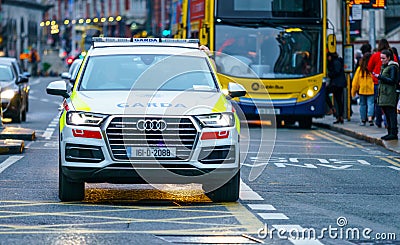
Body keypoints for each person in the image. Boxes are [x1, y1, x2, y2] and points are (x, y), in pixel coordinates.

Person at [368, 39, 397, 128]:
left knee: (379, 102)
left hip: (378, 82)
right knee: (388, 104)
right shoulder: (393, 56)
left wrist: (375, 74)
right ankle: (387, 123)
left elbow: (369, 67)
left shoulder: (375, 55)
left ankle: (378, 121)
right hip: (388, 84)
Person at [372, 49, 399, 140]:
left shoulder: (392, 67)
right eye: (381, 58)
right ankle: (389, 132)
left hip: (390, 93)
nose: (381, 60)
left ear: (389, 58)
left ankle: (393, 133)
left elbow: (393, 80)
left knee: (391, 113)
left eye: (383, 58)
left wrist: (380, 77)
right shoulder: (385, 67)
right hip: (384, 93)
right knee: (387, 113)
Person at [351, 53, 375, 126]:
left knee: (362, 105)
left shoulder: (360, 69)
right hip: (371, 89)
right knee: (371, 104)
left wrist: (353, 92)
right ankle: (370, 118)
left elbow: (355, 82)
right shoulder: (372, 68)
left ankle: (363, 119)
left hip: (362, 90)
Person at [326, 52, 346, 124]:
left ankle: (332, 108)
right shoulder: (338, 61)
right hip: (339, 84)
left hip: (336, 83)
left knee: (325, 92)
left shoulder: (335, 62)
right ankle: (340, 117)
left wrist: (329, 74)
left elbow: (336, 72)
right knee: (338, 100)